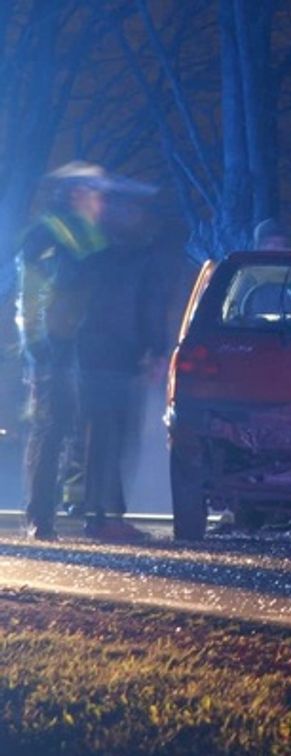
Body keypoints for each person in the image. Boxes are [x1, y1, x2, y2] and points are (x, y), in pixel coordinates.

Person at [16, 162, 113, 540]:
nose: (102, 200)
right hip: (57, 351)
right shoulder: (47, 234)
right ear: (76, 193)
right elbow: (32, 294)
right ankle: (40, 517)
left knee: (86, 431)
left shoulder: (89, 233)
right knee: (51, 430)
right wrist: (38, 349)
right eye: (96, 191)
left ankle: (90, 514)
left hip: (87, 350)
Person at [74, 191, 165, 541]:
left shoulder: (94, 260)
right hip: (121, 357)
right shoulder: (146, 262)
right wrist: (155, 351)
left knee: (97, 437)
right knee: (117, 436)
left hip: (90, 355)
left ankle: (97, 513)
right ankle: (108, 516)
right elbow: (150, 311)